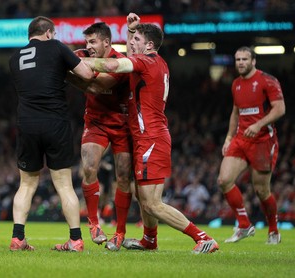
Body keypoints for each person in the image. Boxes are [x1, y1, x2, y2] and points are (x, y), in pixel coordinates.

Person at [82, 13, 219, 254]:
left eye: (135, 39)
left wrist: (75, 62)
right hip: (150, 136)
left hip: (151, 138)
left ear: (149, 45)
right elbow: (128, 57)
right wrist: (131, 29)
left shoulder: (145, 62)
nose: (130, 43)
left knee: (152, 203)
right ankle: (149, 239)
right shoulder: (158, 62)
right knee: (143, 196)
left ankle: (203, 237)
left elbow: (112, 64)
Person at [8, 16, 94, 252]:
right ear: (48, 33)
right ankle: (75, 239)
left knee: (26, 184)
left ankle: (18, 238)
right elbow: (86, 74)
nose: (54, 38)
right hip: (55, 122)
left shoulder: (15, 58)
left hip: (26, 123)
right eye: (54, 34)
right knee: (64, 185)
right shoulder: (56, 47)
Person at [69, 22, 133, 251]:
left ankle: (120, 232)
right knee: (88, 168)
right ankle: (94, 224)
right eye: (86, 42)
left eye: (93, 41)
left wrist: (69, 73)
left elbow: (96, 87)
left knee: (123, 177)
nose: (89, 46)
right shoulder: (82, 56)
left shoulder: (121, 62)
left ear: (107, 42)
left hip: (122, 125)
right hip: (95, 122)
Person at [217, 46, 285, 244]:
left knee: (261, 190)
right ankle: (244, 225)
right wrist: (228, 137)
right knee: (224, 180)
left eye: (245, 59)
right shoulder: (236, 84)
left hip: (263, 140)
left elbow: (280, 109)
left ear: (253, 61)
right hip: (240, 139)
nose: (240, 63)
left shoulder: (267, 81)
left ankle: (274, 231)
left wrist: (259, 124)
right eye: (238, 59)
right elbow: (235, 113)